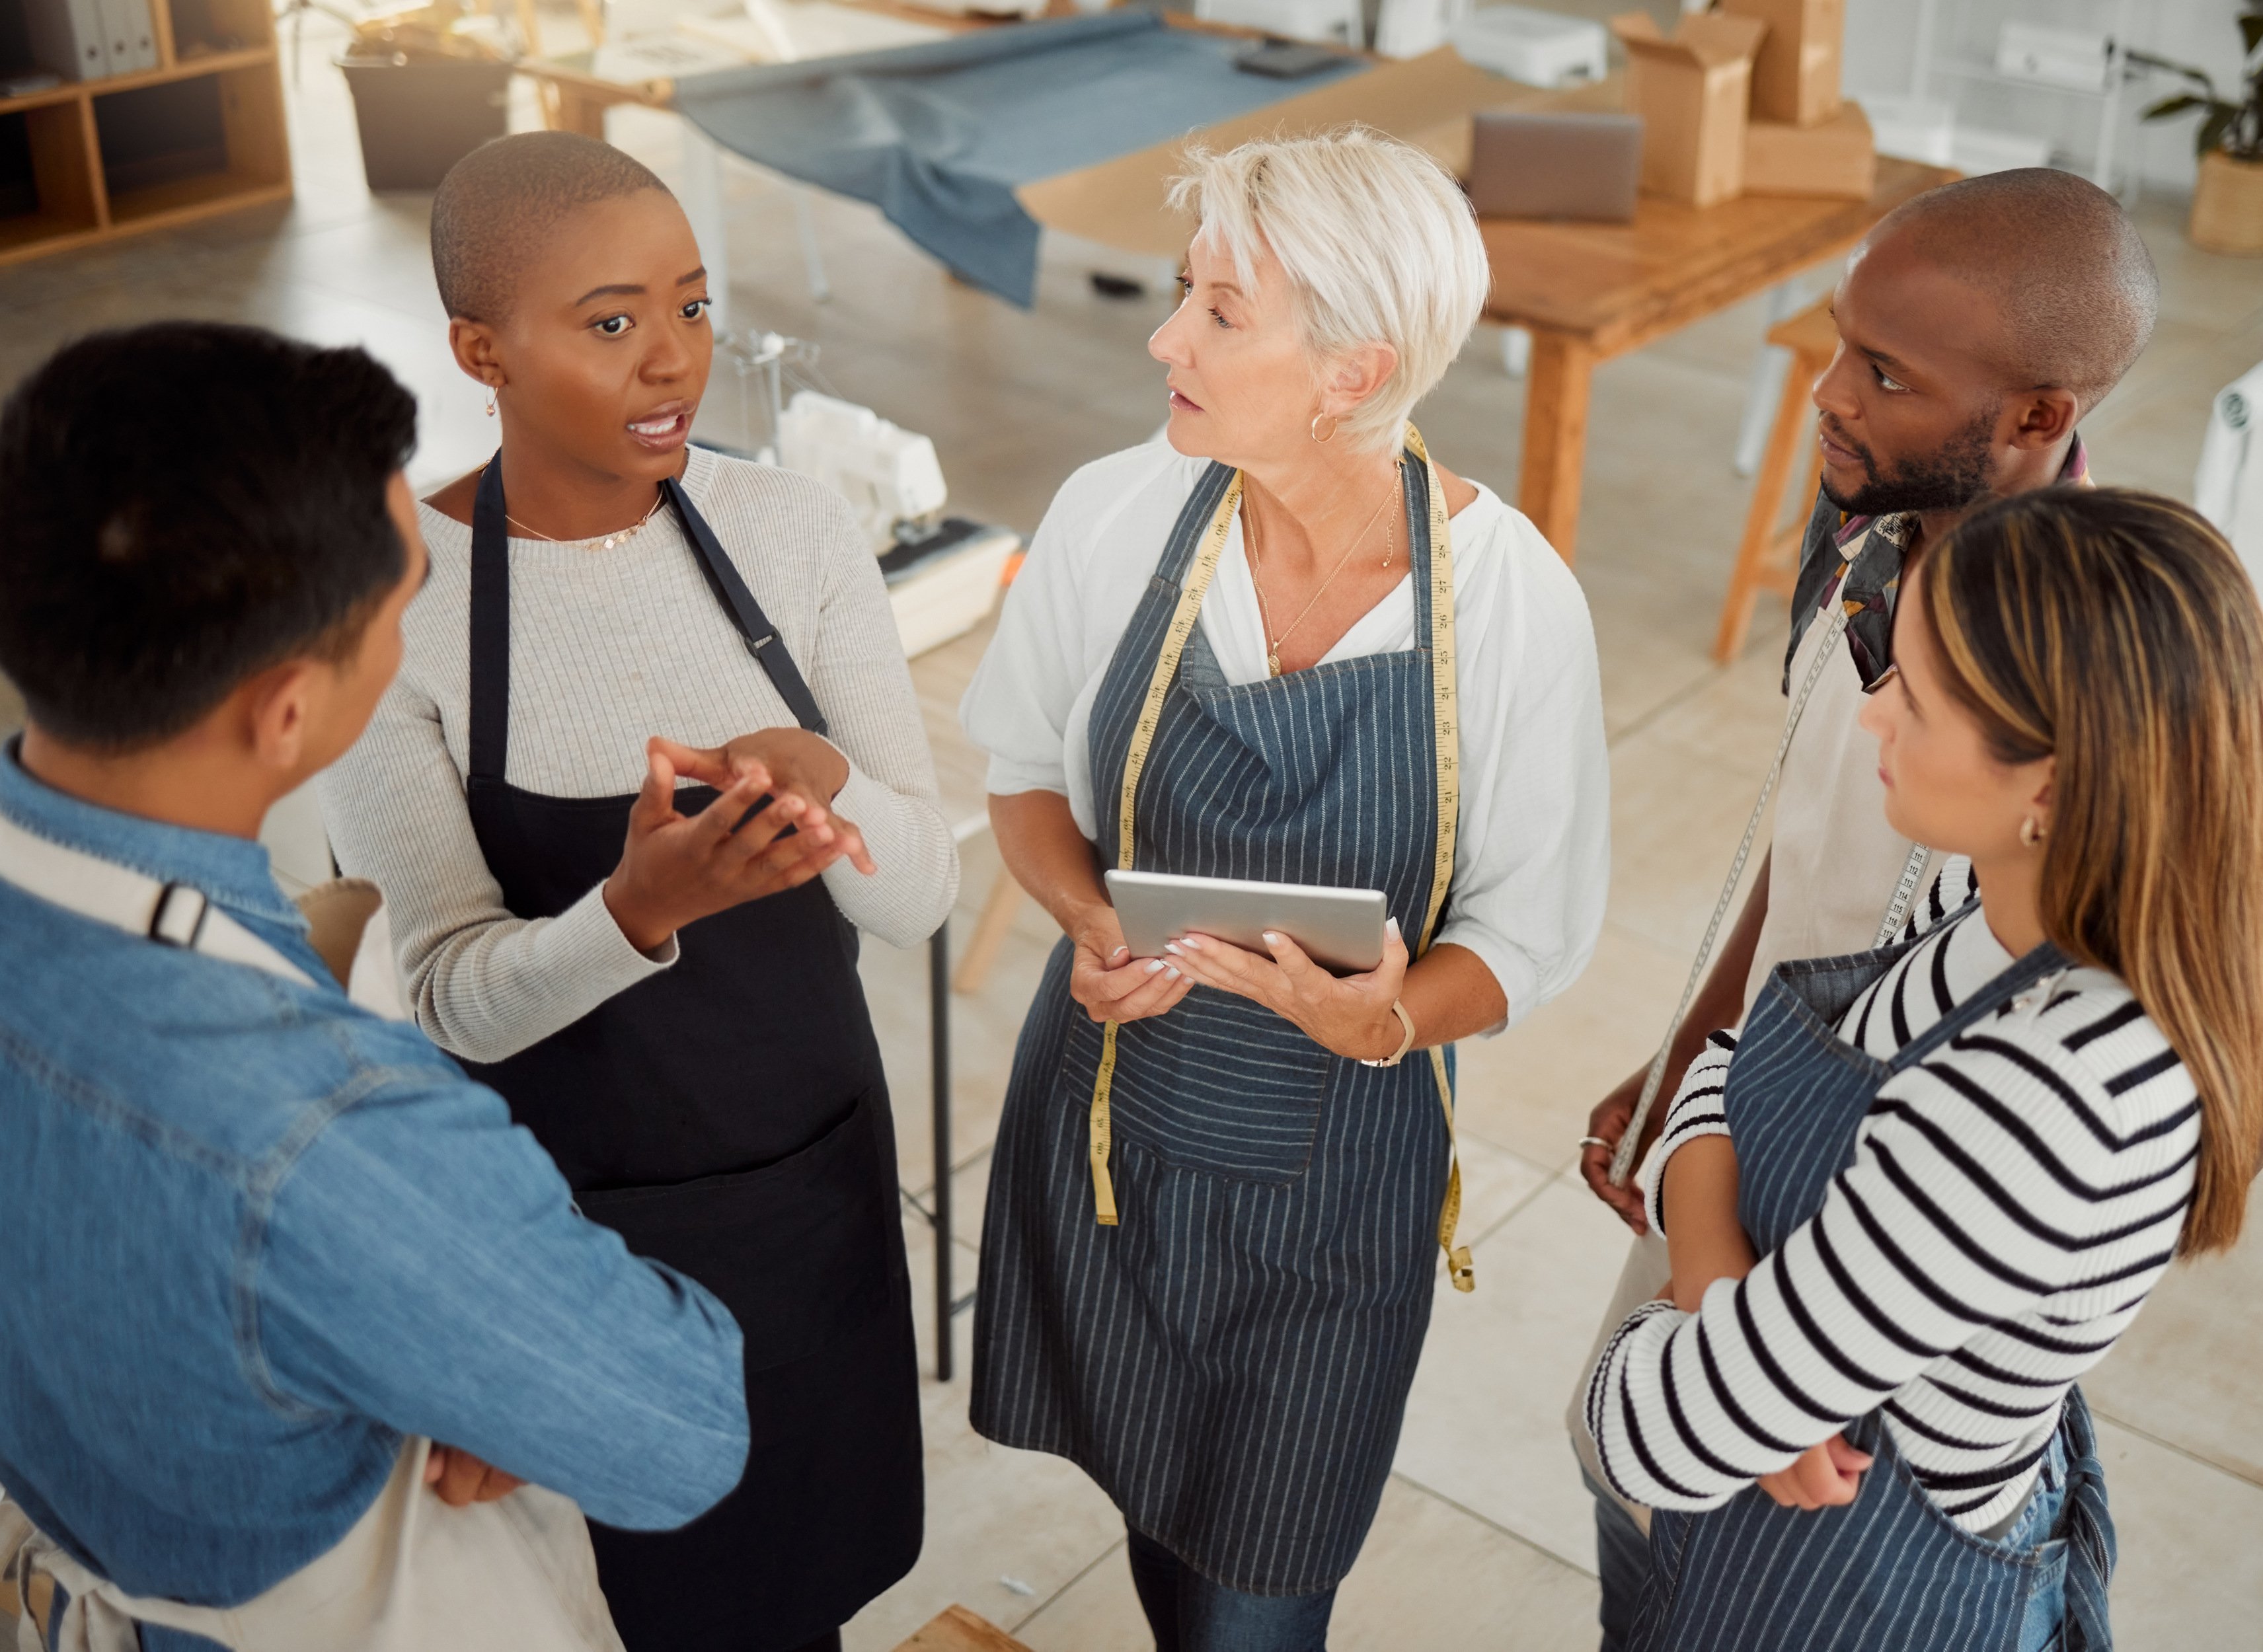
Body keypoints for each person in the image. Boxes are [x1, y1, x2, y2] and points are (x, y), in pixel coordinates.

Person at [0, 322, 751, 1652]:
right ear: (288, 711)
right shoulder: (322, 1132)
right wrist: (489, 1349)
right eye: (401, 608)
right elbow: (680, 1428)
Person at [961, 130, 1609, 1648]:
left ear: (1349, 370)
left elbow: (1526, 932)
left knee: (1259, 1583)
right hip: (1113, 1126)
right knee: (1156, 1501)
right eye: (1183, 293)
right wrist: (1088, 919)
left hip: (1335, 1188)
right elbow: (1022, 773)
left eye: (1219, 311)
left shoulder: (1509, 601)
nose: (1164, 338)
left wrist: (1392, 1018)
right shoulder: (1118, 510)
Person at [322, 131, 956, 1652]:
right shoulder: (389, 608)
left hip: (806, 1185)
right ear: (481, 350)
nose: (673, 357)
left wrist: (826, 775)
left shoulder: (795, 531)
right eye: (611, 321)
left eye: (690, 303)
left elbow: (922, 893)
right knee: (627, 1600)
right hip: (565, 1221)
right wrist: (635, 912)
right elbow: (447, 996)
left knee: (794, 1595)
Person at [1566, 167, 2159, 1649]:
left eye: (1884, 374)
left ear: (2037, 414)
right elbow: (1814, 821)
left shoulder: (2072, 713)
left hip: (1855, 1241)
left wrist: (1720, 1308)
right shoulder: (1866, 532)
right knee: (1647, 1551)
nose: (1828, 394)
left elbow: (1674, 1416)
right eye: (1840, 342)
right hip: (1761, 1117)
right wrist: (1695, 1051)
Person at [1589, 486, 2263, 1651]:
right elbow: (1731, 1062)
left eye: (1917, 697)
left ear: (2049, 782)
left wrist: (1711, 1326)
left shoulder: (2037, 1104)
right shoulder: (1995, 898)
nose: (1872, 717)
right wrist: (1717, 1285)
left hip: (1865, 1597)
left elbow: (1655, 1433)